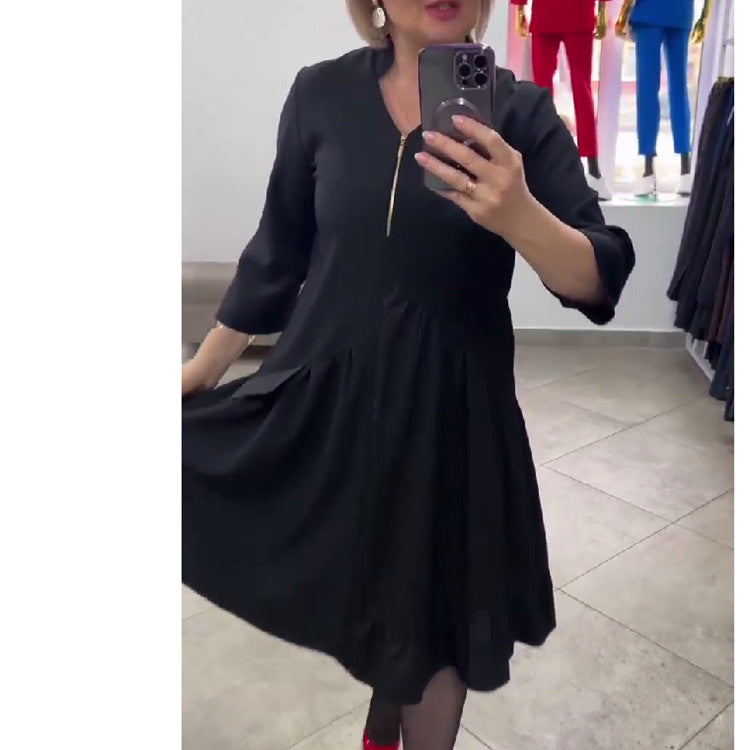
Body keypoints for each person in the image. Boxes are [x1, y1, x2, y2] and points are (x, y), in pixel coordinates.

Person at [182, 1, 635, 748]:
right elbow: (277, 252)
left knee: (434, 608)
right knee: (375, 588)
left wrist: (520, 214)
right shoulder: (320, 93)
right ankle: (381, 718)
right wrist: (203, 367)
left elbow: (599, 277)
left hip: (450, 413)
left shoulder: (520, 113)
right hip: (327, 395)